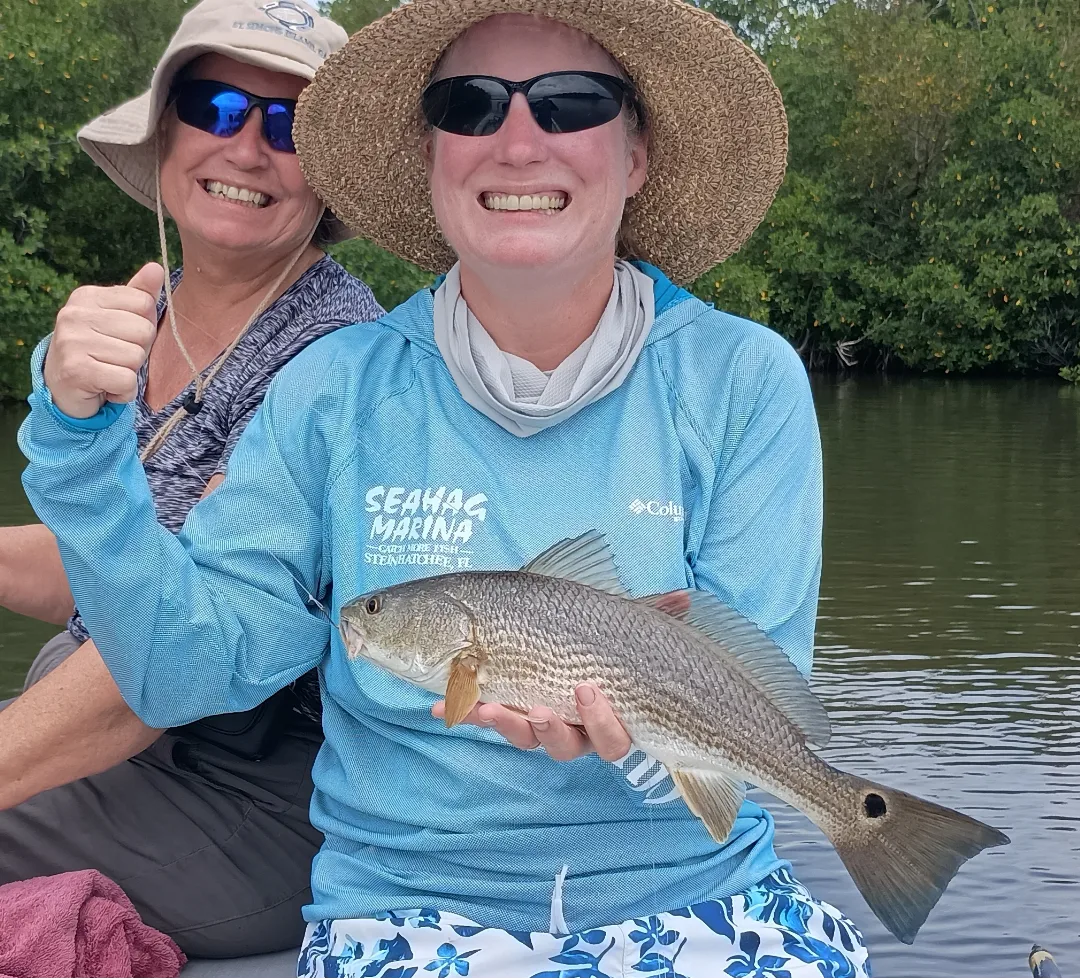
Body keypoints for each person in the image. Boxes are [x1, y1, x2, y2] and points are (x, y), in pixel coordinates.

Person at [20, 0, 874, 975]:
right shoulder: (333, 391)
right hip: (406, 910)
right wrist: (79, 443)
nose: (517, 141)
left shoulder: (746, 380)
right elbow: (174, 670)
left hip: (699, 901)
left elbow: (752, 705)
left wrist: (633, 730)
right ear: (431, 157)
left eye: (571, 101)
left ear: (637, 155)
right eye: (469, 104)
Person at [0, 0, 384, 960]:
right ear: (166, 130)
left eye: (289, 123)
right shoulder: (140, 316)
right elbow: (110, 562)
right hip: (132, 750)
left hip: (264, 793)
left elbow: (170, 659)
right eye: (215, 106)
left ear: (330, 173)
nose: (246, 147)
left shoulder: (338, 362)